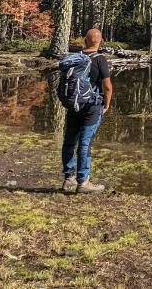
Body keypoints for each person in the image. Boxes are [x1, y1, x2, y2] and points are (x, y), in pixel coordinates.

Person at [60, 28, 113, 194]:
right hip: (92, 106)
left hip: (74, 104)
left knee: (69, 140)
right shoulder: (100, 60)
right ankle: (83, 182)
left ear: (85, 41)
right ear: (101, 41)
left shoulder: (76, 59)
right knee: (85, 143)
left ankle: (69, 179)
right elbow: (108, 87)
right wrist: (107, 104)